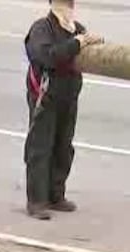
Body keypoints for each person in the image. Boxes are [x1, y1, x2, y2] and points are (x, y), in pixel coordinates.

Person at [23, 0, 103, 220]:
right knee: (40, 147)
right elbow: (47, 56)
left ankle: (56, 195)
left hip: (68, 96)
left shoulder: (78, 29)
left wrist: (94, 44)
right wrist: (76, 43)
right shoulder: (41, 28)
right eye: (63, 4)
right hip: (45, 97)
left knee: (63, 146)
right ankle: (37, 201)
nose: (68, 8)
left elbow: (85, 55)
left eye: (69, 4)